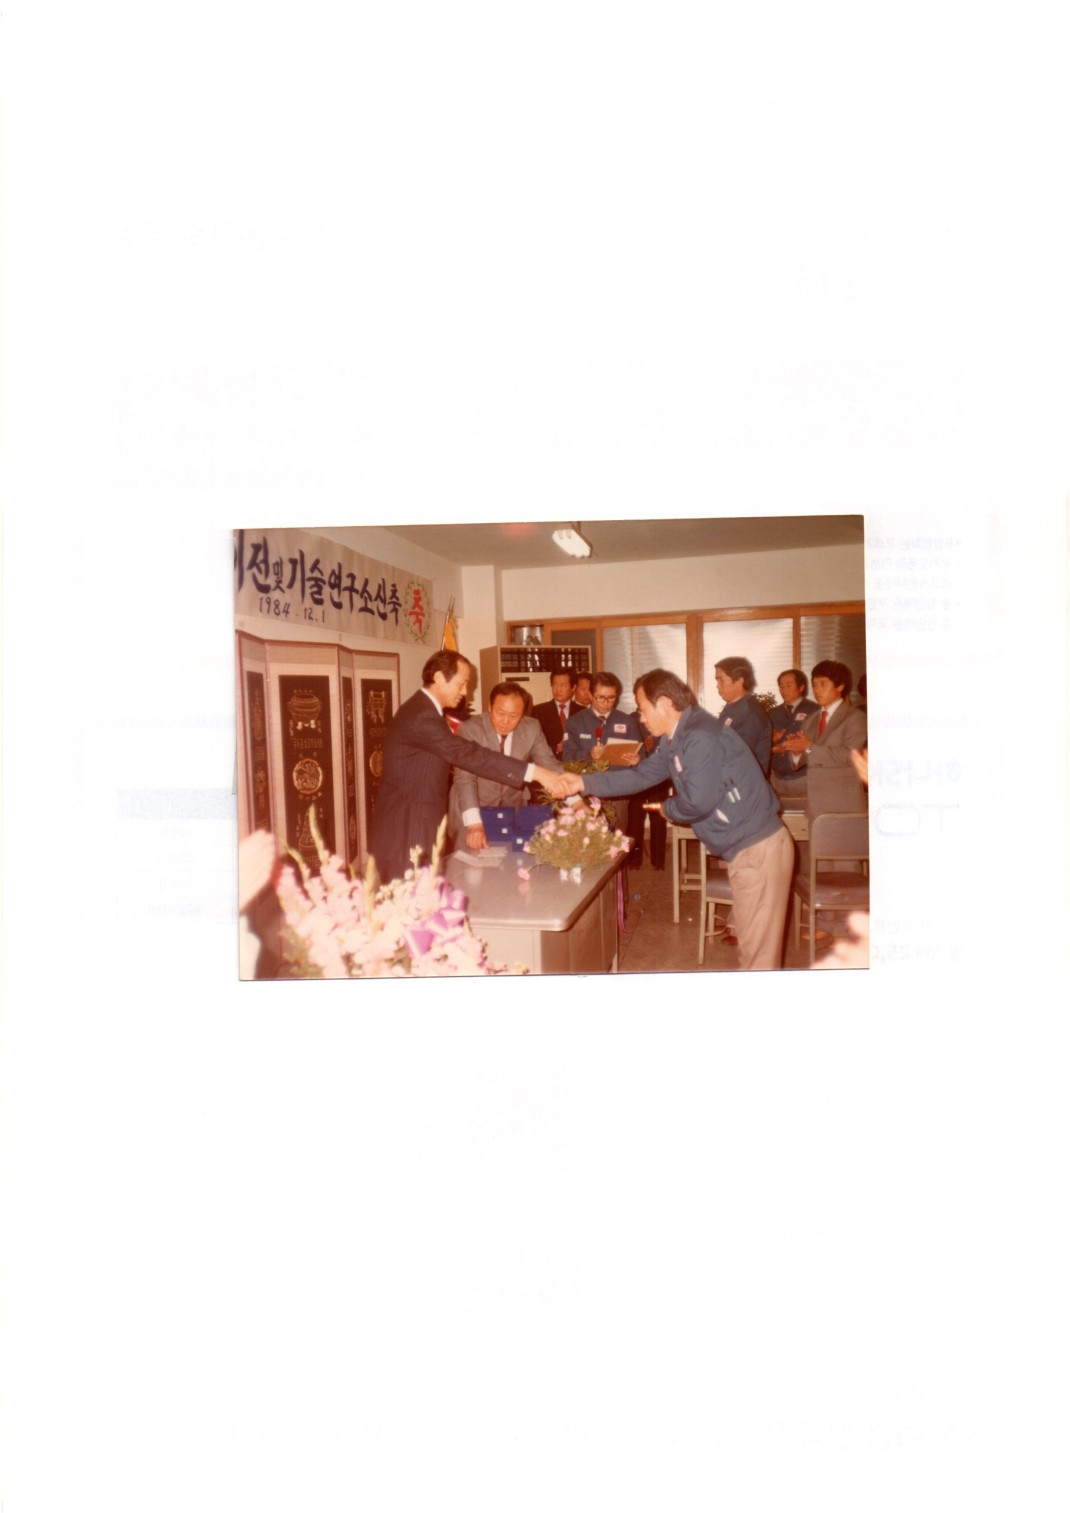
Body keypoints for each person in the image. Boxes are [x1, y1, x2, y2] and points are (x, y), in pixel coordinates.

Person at [560, 668, 794, 970]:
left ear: (664, 704)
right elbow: (641, 775)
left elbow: (698, 801)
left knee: (758, 960)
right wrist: (583, 783)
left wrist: (667, 808)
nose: (640, 718)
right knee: (753, 954)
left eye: (643, 709)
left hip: (757, 849)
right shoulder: (676, 737)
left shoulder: (699, 735)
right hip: (745, 849)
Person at [369, 650, 570, 883]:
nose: (465, 692)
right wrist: (533, 772)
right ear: (439, 678)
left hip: (415, 827)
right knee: (408, 898)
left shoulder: (424, 711)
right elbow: (467, 754)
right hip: (405, 832)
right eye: (462, 683)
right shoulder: (422, 716)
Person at [448, 682, 562, 852]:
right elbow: (465, 779)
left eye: (514, 715)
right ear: (490, 707)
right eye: (500, 713)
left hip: (511, 808)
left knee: (509, 860)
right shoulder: (470, 730)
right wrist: (474, 824)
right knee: (469, 861)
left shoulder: (532, 728)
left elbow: (549, 764)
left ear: (523, 714)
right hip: (473, 807)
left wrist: (575, 801)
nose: (505, 721)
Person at [562, 671, 649, 867]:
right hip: (586, 793)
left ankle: (617, 886)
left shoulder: (627, 721)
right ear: (590, 695)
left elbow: (642, 757)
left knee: (616, 845)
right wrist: (589, 754)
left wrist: (637, 759)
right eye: (600, 697)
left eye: (611, 698)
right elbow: (567, 758)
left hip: (617, 793)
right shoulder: (575, 722)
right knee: (587, 845)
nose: (606, 703)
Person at [780, 659, 867, 824]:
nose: (817, 690)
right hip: (814, 805)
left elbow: (850, 755)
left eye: (823, 684)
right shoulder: (811, 719)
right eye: (814, 685)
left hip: (843, 805)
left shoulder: (855, 717)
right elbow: (806, 757)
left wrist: (809, 747)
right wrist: (797, 752)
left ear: (840, 686)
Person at [713, 656, 773, 776]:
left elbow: (737, 757)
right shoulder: (733, 707)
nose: (717, 686)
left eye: (721, 680)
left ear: (739, 680)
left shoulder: (749, 713)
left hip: (743, 783)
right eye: (717, 680)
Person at [769, 668, 819, 798]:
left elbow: (819, 745)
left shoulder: (815, 711)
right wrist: (772, 745)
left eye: (788, 685)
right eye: (781, 686)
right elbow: (764, 741)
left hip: (805, 776)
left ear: (801, 687)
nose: (783, 690)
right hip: (778, 777)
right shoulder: (773, 713)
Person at [532, 669, 580, 758]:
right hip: (550, 762)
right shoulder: (538, 711)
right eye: (554, 684)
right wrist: (556, 748)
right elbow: (533, 743)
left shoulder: (582, 712)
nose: (558, 689)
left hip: (577, 762)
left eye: (563, 685)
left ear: (573, 687)